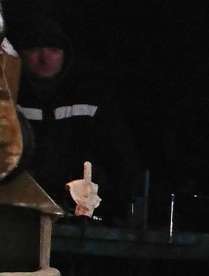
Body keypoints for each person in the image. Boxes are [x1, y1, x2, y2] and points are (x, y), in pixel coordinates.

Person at [7, 16, 134, 216]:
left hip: (84, 216)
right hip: (18, 211)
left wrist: (107, 201)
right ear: (20, 54)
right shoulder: (8, 98)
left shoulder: (90, 96)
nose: (44, 58)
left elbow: (121, 160)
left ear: (65, 54)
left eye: (54, 50)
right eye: (34, 49)